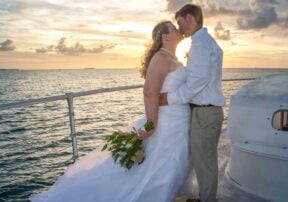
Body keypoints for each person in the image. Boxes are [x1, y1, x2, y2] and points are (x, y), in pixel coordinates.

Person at [31, 20, 195, 202]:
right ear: (165, 36)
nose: (178, 30)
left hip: (180, 119)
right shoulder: (161, 58)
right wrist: (151, 124)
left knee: (172, 166)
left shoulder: (173, 58)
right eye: (173, 28)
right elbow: (150, 92)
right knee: (163, 167)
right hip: (166, 122)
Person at [159, 4, 225, 202]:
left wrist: (168, 98)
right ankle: (206, 196)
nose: (180, 28)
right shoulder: (206, 42)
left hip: (204, 113)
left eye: (180, 22)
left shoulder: (201, 45)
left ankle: (208, 199)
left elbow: (195, 85)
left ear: (190, 18)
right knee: (205, 160)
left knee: (204, 162)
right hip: (208, 111)